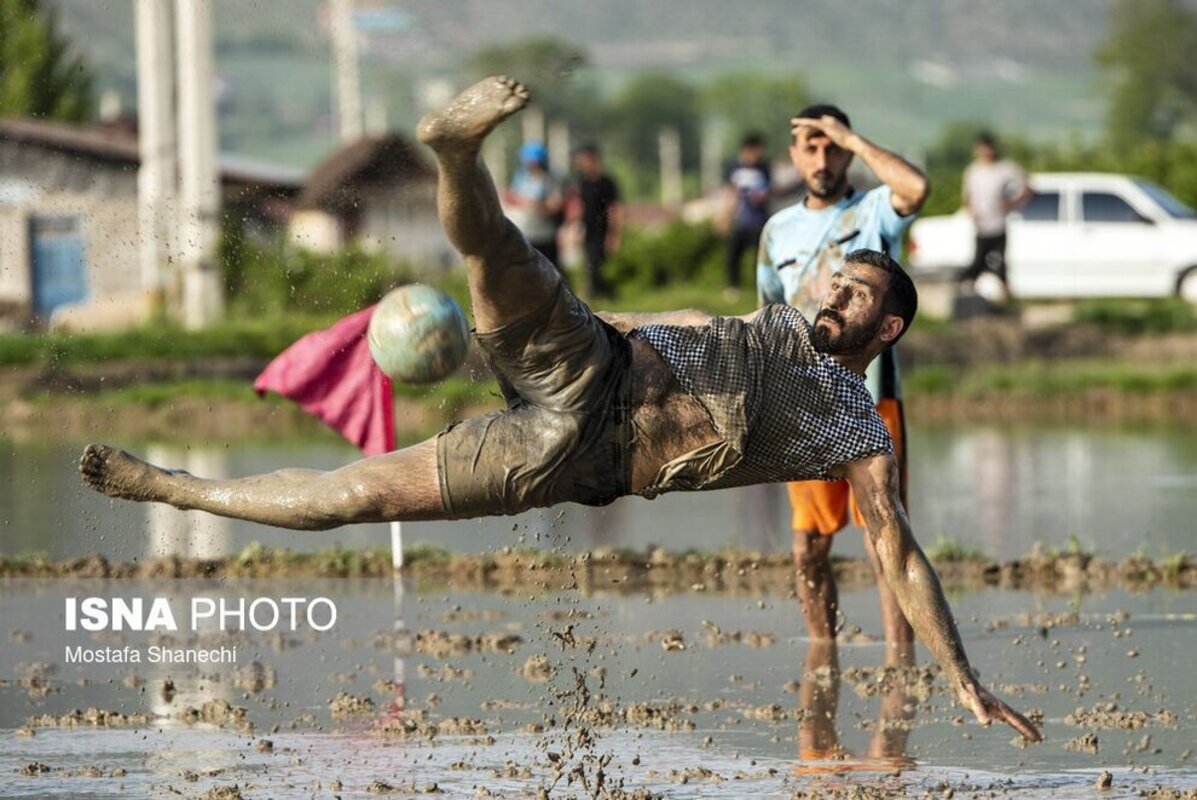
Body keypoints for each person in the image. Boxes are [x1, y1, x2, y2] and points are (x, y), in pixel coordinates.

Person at [80, 76, 1037, 742]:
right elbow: (668, 320)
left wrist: (961, 677)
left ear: (890, 327)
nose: (835, 296)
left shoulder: (855, 431)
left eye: (857, 295)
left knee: (357, 497)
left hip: (566, 457)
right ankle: (455, 150)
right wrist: (584, 315)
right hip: (593, 365)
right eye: (835, 282)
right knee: (500, 258)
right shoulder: (772, 317)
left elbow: (898, 554)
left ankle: (175, 487)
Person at [757, 103, 929, 653]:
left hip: (873, 398)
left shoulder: (874, 208)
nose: (822, 156)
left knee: (887, 540)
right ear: (794, 155)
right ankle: (822, 662)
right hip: (803, 403)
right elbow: (767, 318)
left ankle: (900, 666)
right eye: (811, 145)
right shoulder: (777, 230)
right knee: (808, 543)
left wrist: (850, 137)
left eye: (830, 146)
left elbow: (916, 188)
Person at [960, 131, 1032, 298]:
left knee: (1001, 265)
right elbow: (968, 196)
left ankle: (1006, 298)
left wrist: (1013, 203)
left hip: (998, 224)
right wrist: (971, 211)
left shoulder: (1005, 169)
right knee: (977, 263)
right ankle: (969, 297)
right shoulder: (973, 171)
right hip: (981, 226)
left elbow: (1027, 184)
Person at [569, 142, 623, 298]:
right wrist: (575, 230)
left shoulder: (606, 182)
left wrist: (614, 235)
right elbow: (578, 208)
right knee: (590, 266)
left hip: (603, 230)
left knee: (601, 267)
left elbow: (615, 209)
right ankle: (595, 296)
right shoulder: (582, 182)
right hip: (588, 230)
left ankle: (607, 297)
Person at [721, 132, 772, 289]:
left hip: (759, 220)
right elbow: (730, 193)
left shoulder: (764, 168)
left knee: (759, 257)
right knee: (733, 255)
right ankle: (733, 287)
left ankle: (760, 286)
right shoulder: (734, 168)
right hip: (740, 220)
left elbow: (770, 190)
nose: (760, 153)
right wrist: (725, 216)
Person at [504, 140, 564, 268]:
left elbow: (555, 206)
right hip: (525, 233)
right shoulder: (522, 178)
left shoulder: (550, 180)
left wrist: (534, 205)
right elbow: (514, 199)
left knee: (549, 270)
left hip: (544, 235)